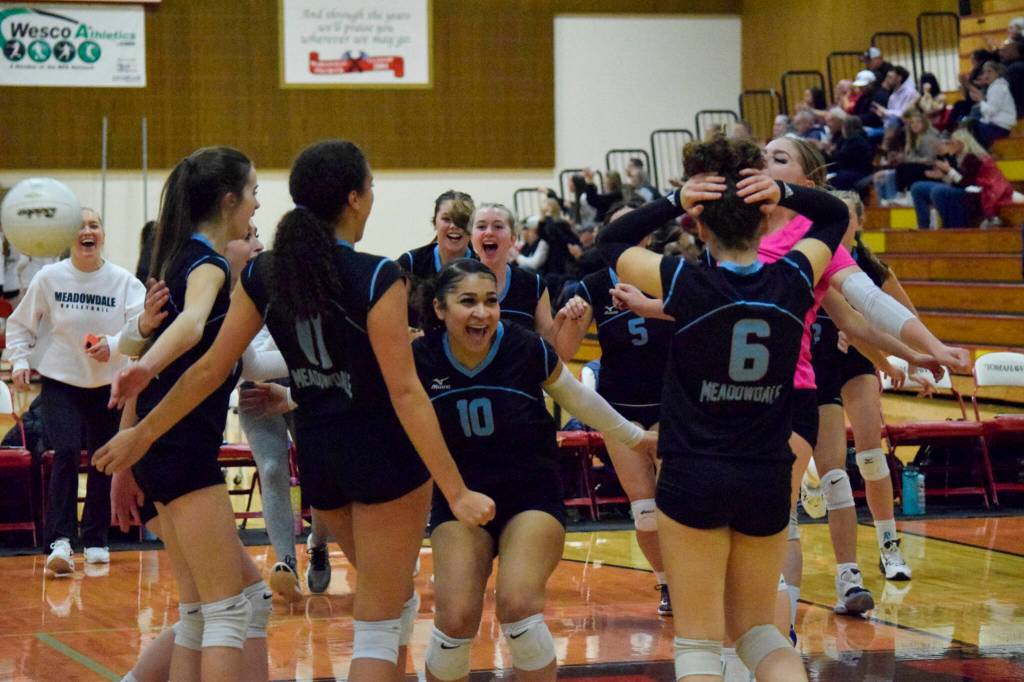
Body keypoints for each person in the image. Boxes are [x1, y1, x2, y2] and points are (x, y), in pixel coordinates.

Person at [95, 140, 495, 682]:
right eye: (371, 187)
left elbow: (211, 369)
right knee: (378, 624)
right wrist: (456, 490)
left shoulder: (265, 274)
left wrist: (143, 432)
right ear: (355, 199)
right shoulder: (378, 276)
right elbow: (405, 394)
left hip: (320, 459)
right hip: (382, 457)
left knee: (386, 612)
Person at [595, 135, 853, 682]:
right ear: (764, 221)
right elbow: (833, 216)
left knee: (697, 643)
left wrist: (674, 200)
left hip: (693, 474)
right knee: (759, 632)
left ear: (700, 225)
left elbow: (611, 239)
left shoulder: (685, 281)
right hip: (766, 473)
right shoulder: (793, 279)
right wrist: (781, 189)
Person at [414, 258, 656, 682]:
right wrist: (287, 398)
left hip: (531, 496)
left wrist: (635, 437)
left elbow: (579, 398)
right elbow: (372, 404)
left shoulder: (525, 345)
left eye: (490, 301)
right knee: (454, 619)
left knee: (518, 606)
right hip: (460, 499)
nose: (482, 312)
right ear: (439, 309)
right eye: (467, 301)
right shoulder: (420, 358)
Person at [92, 147, 276, 682]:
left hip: (159, 450)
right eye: (253, 193)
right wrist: (144, 369)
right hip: (179, 450)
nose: (256, 205)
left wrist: (141, 372)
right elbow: (193, 323)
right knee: (225, 610)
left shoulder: (176, 258)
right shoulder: (207, 264)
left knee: (209, 611)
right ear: (228, 201)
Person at [5, 208, 146, 577]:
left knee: (103, 457)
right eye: (80, 226)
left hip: (106, 383)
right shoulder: (49, 278)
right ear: (68, 237)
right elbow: (21, 326)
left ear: (103, 235)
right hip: (60, 380)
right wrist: (20, 361)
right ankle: (60, 542)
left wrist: (113, 345)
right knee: (65, 451)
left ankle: (97, 538)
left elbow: (142, 327)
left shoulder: (123, 281)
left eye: (94, 225)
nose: (87, 231)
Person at [553, 202, 675, 616]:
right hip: (620, 410)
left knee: (678, 501)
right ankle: (667, 584)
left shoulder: (669, 275)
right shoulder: (590, 285)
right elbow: (562, 353)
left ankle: (694, 575)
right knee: (644, 508)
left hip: (671, 404)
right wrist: (566, 318)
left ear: (646, 237)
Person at [808, 191, 913, 582]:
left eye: (846, 218)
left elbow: (905, 317)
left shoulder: (871, 268)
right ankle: (813, 477)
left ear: (858, 223)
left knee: (871, 454)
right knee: (829, 459)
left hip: (857, 360)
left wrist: (914, 357)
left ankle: (889, 547)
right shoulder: (811, 260)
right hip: (816, 361)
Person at [468, 202, 566, 346]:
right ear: (471, 237)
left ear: (513, 238)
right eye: (481, 226)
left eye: (498, 226)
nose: (488, 232)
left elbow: (548, 347)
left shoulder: (534, 285)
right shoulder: (456, 283)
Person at [397, 190, 475, 328]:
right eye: (447, 219)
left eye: (462, 220)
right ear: (434, 222)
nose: (454, 226)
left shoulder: (482, 266)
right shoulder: (410, 263)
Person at [910, 128, 1015, 229]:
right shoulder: (956, 156)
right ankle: (923, 228)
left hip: (977, 193)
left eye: (952, 142)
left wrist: (949, 171)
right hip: (962, 188)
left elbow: (968, 183)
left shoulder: (972, 158)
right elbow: (956, 181)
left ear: (962, 143)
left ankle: (949, 227)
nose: (949, 145)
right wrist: (943, 176)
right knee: (917, 187)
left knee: (938, 191)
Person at [873, 109, 942, 206]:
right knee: (890, 172)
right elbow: (910, 157)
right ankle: (887, 202)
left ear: (924, 123)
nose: (915, 125)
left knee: (905, 167)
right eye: (912, 122)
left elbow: (929, 160)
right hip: (916, 166)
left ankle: (906, 196)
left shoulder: (928, 138)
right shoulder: (912, 137)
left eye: (918, 122)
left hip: (931, 169)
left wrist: (909, 159)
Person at [967, 61, 1016, 148]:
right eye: (984, 72)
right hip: (996, 126)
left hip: (999, 128)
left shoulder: (998, 88)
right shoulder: (995, 87)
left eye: (989, 71)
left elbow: (990, 111)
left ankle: (983, 153)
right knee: (968, 123)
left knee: (970, 126)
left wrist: (980, 100)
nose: (986, 74)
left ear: (997, 73)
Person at [828, 116, 874, 191]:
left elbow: (841, 158)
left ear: (847, 128)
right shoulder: (862, 137)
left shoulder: (854, 141)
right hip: (856, 171)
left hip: (856, 172)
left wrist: (831, 151)